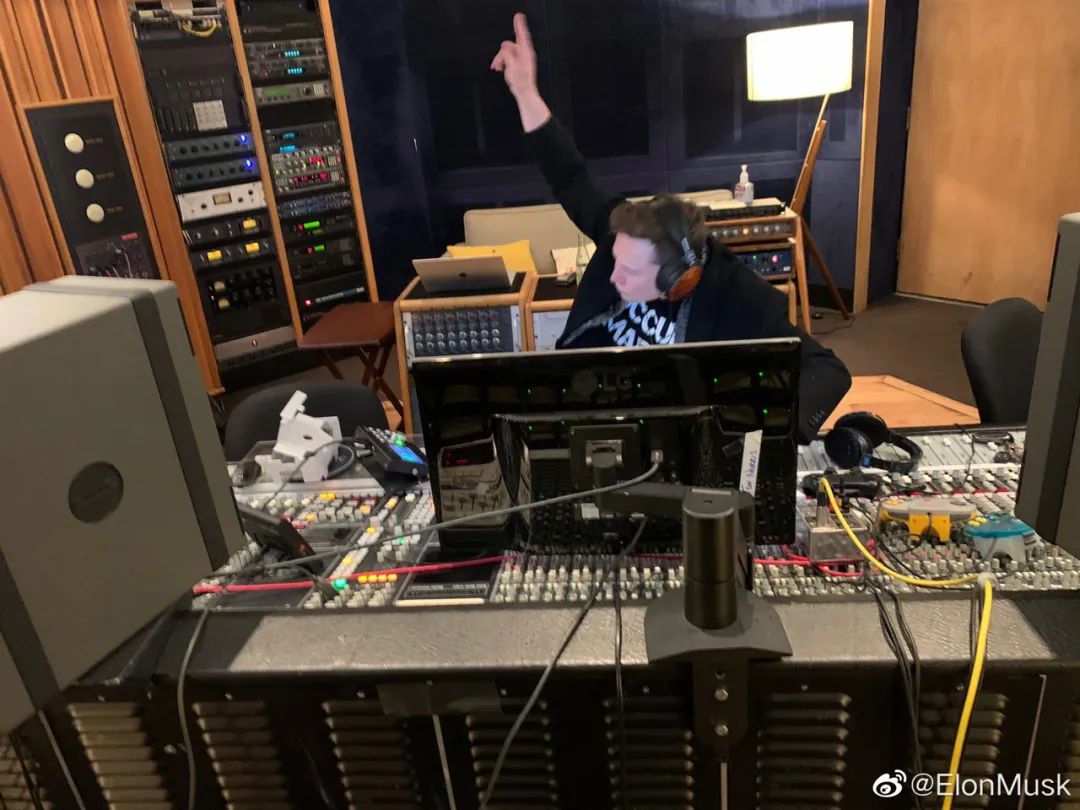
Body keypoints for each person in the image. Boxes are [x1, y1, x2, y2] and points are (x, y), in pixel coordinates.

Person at [491, 13, 851, 442]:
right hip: (579, 415)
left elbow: (828, 371)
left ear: (677, 279)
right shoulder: (623, 233)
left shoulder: (732, 293)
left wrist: (763, 438)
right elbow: (569, 175)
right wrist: (525, 91)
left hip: (668, 440)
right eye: (616, 260)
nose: (612, 276)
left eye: (630, 271)